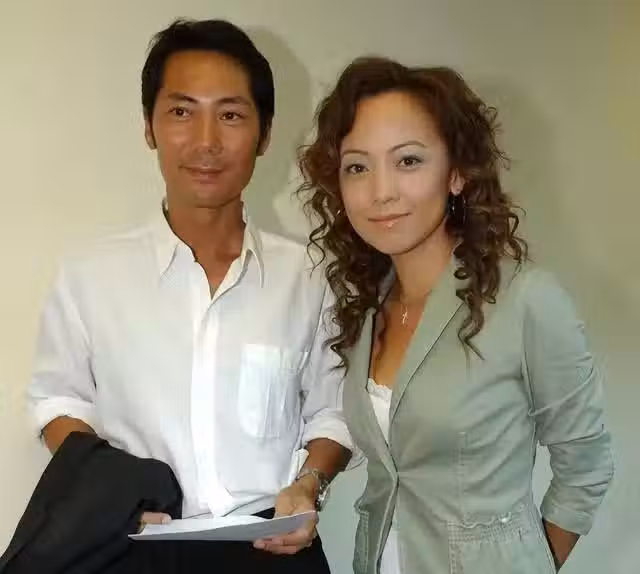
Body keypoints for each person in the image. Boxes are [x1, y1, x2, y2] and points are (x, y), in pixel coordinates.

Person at [26, 19, 353, 573]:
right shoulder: (90, 275)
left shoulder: (310, 275)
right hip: (135, 550)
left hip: (272, 550)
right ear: (149, 126)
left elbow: (333, 412)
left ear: (264, 134)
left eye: (231, 115)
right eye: (181, 111)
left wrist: (310, 484)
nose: (206, 142)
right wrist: (110, 493)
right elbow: (59, 401)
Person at [298, 56, 614, 573]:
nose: (381, 191)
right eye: (357, 166)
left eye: (408, 161)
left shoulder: (525, 299)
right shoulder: (368, 306)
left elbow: (586, 465)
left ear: (457, 174)